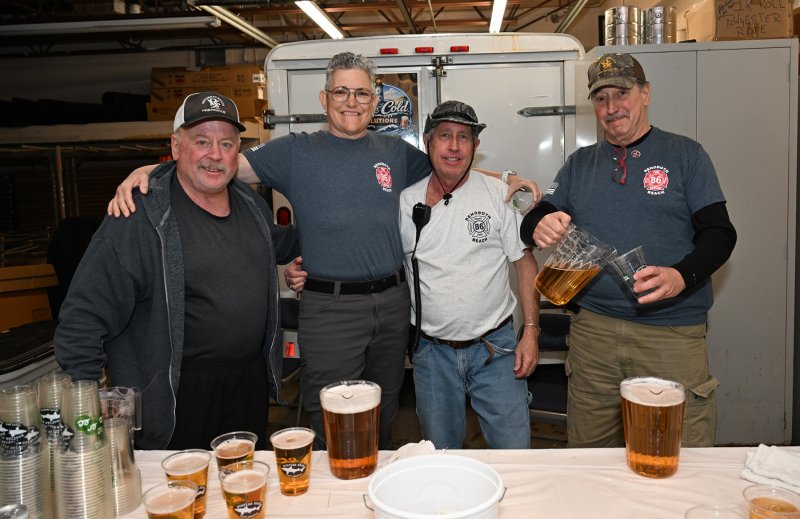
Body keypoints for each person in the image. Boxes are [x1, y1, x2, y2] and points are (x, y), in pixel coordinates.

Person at [107, 53, 538, 450]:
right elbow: (216, 165)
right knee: (333, 422)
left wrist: (508, 179)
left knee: (384, 415)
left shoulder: (394, 152)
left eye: (362, 93)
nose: (351, 102)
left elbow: (452, 163)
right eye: (341, 92)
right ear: (324, 98)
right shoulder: (295, 151)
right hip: (330, 309)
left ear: (374, 102)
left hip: (393, 307)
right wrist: (151, 170)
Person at [55, 91, 299, 450]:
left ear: (238, 150)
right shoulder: (139, 216)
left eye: (226, 143)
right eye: (201, 141)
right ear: (175, 145)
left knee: (241, 482)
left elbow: (284, 245)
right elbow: (82, 318)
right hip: (172, 396)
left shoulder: (252, 206)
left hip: (246, 387)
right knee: (179, 486)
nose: (215, 154)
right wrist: (86, 408)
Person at [520, 53, 737, 448]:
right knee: (590, 453)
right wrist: (539, 223)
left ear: (646, 93)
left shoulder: (686, 155)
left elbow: (720, 234)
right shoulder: (580, 164)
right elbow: (535, 217)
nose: (612, 107)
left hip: (670, 332)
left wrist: (681, 275)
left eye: (622, 94)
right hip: (593, 334)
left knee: (677, 452)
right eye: (601, 98)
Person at [400, 100, 539, 448]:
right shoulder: (405, 201)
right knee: (440, 456)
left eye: (463, 137)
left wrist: (531, 332)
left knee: (514, 454)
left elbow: (524, 264)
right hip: (431, 353)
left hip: (496, 349)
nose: (454, 146)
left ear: (475, 146)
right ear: (428, 142)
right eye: (444, 135)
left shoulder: (499, 196)